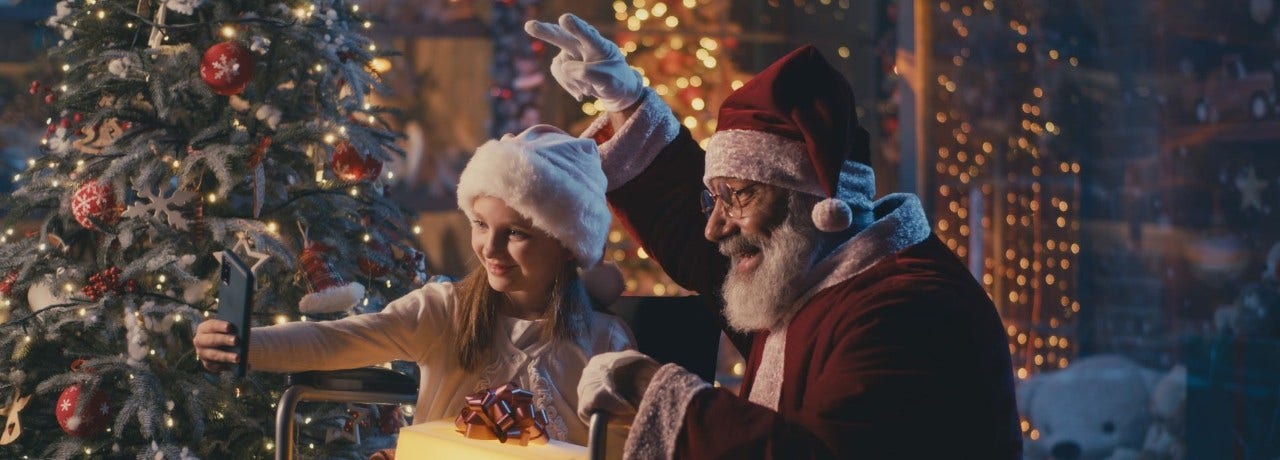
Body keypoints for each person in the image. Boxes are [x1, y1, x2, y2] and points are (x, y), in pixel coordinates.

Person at [526, 14, 1021, 459]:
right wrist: (626, 103)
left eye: (737, 196)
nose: (714, 226)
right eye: (712, 197)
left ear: (815, 203)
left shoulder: (907, 309)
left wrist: (651, 385)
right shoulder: (815, 269)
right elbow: (700, 244)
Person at [192, 124, 636, 446]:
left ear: (565, 245)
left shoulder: (602, 341)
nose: (490, 247)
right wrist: (245, 346)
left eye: (516, 233)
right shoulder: (445, 311)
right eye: (480, 225)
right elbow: (339, 340)